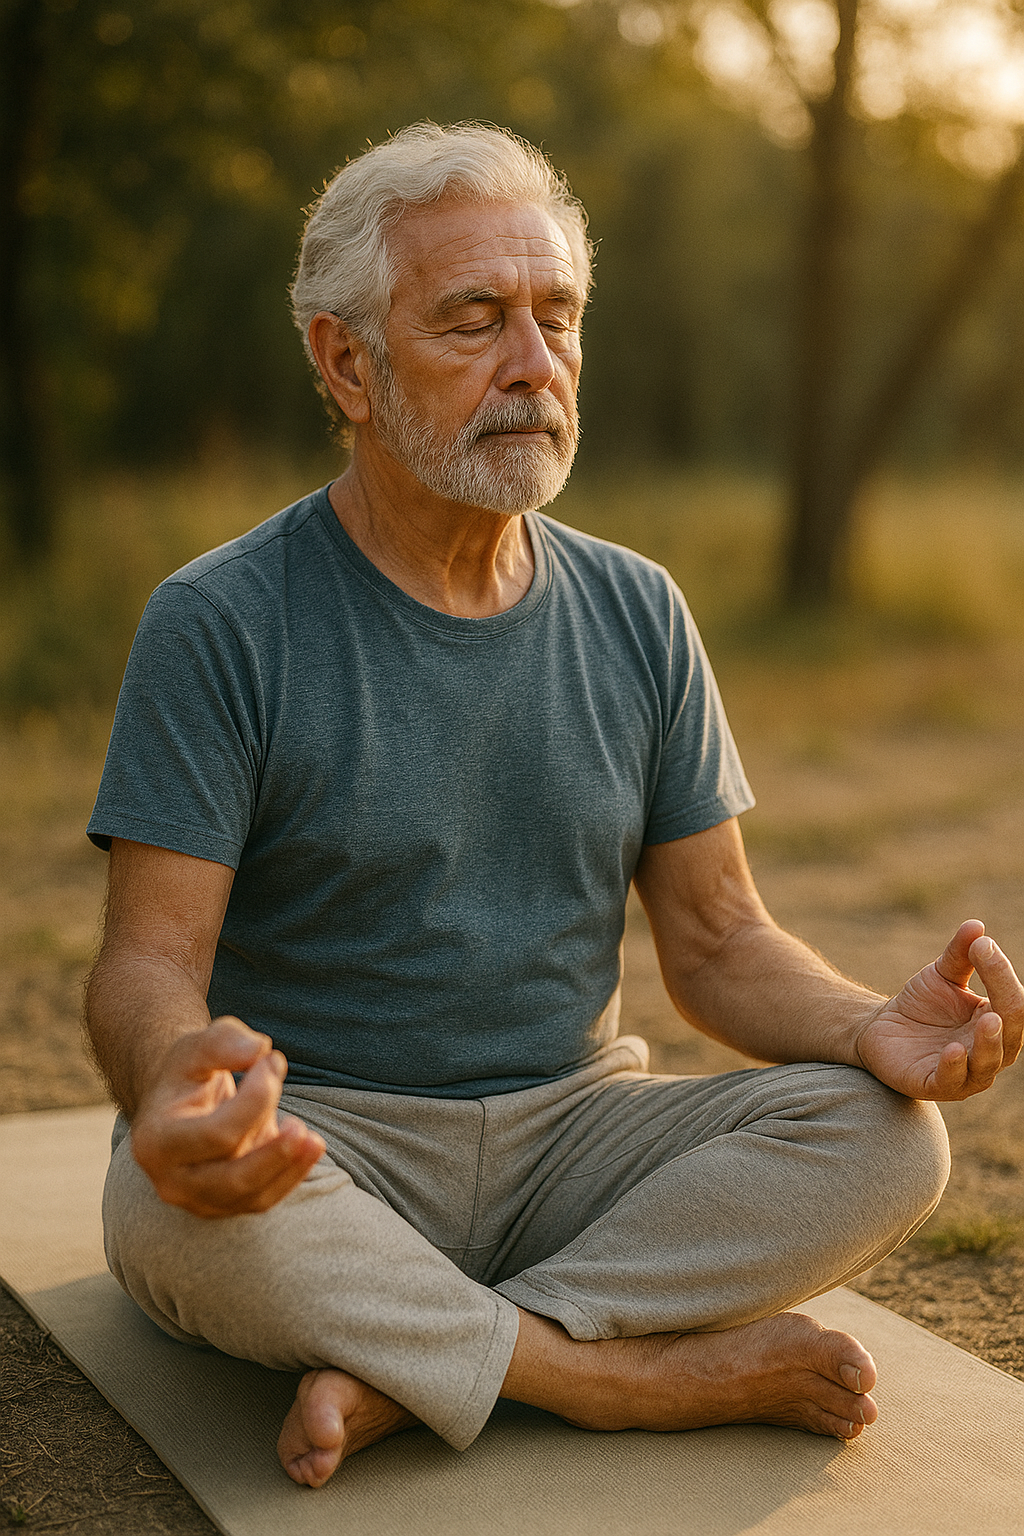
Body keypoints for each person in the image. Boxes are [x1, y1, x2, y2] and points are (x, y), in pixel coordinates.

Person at [84, 122, 1021, 1491]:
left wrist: (868, 1026)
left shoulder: (639, 609)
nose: (535, 365)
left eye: (557, 319)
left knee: (885, 1137)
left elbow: (716, 943)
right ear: (346, 362)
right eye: (475, 321)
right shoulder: (221, 619)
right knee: (168, 1207)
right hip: (326, 1139)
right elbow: (147, 963)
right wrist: (174, 1086)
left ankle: (434, 1366)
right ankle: (611, 1375)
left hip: (572, 1138)